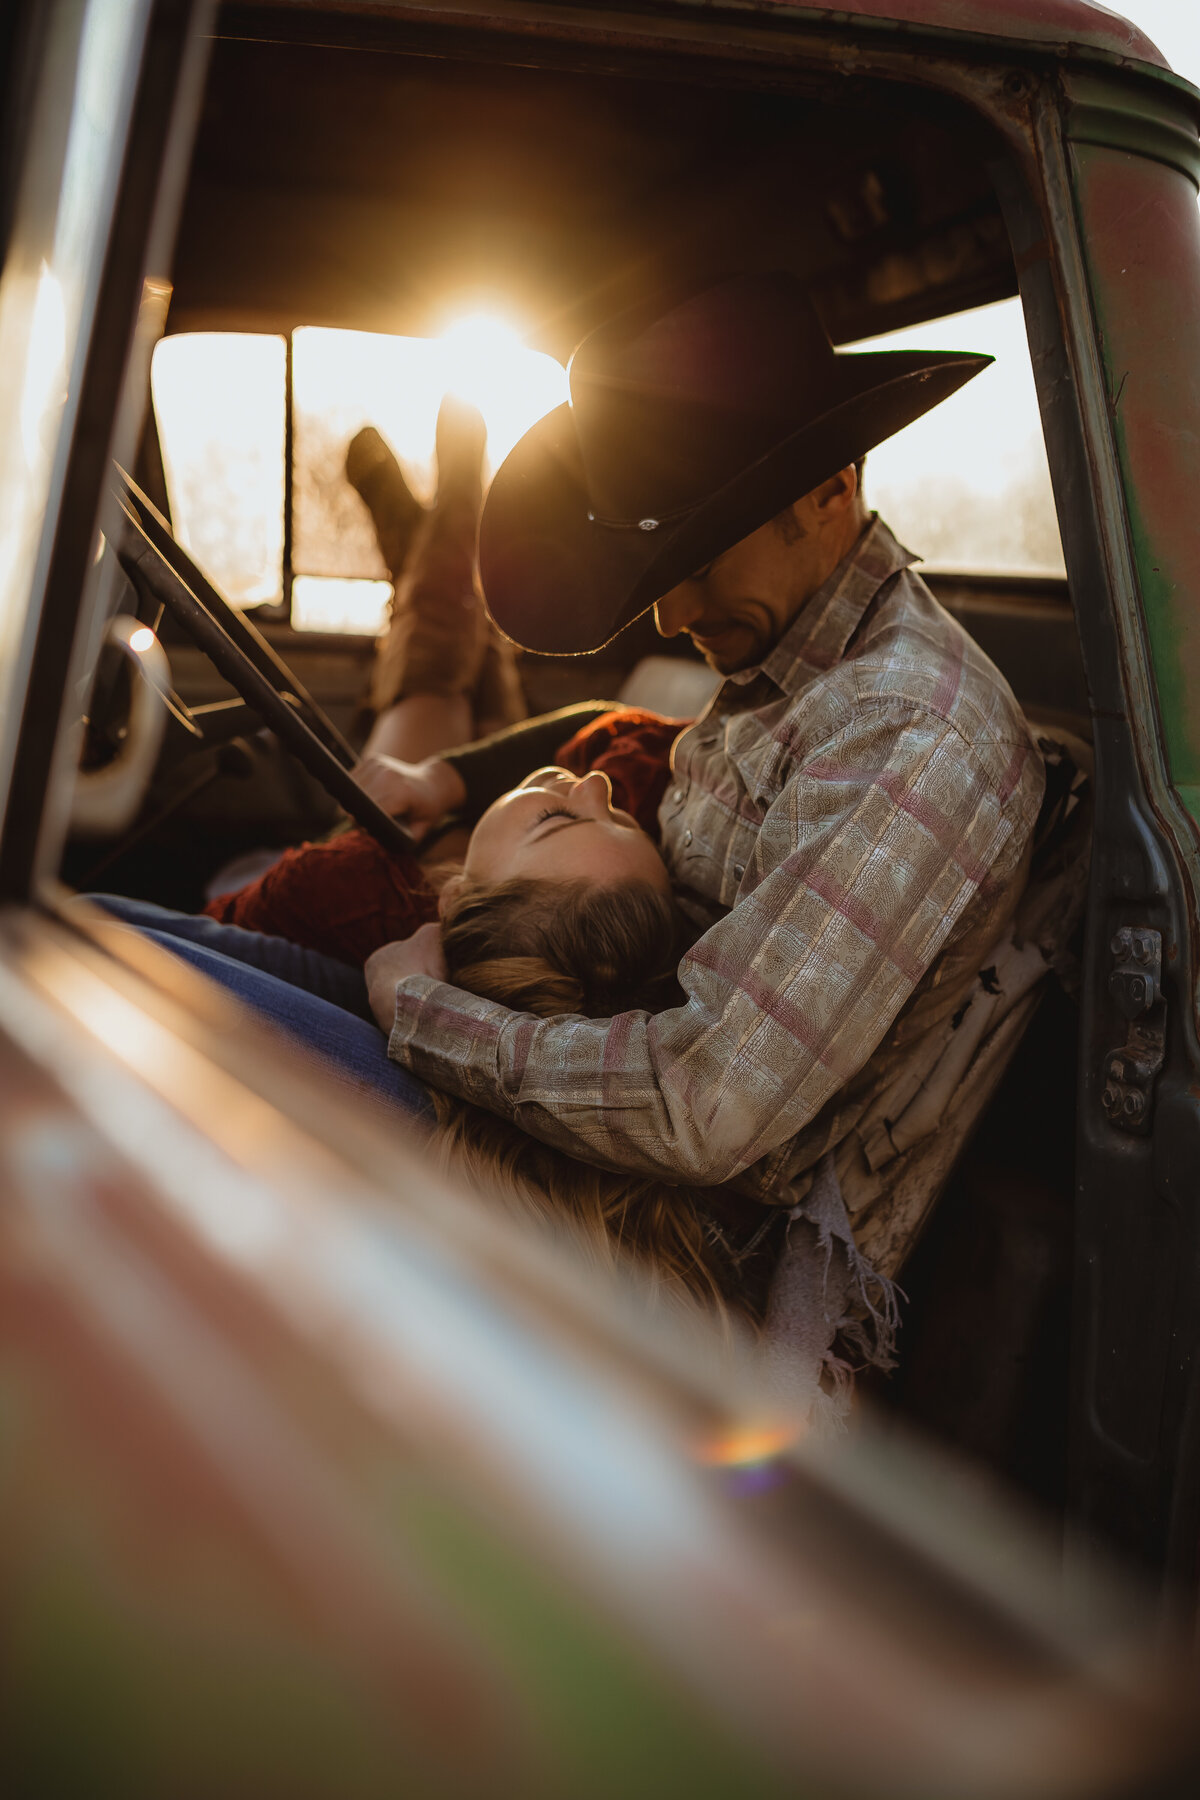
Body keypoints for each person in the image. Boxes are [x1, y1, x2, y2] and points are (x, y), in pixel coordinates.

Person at [357, 271, 1055, 1388]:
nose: (673, 614)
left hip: (670, 1234)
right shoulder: (786, 662)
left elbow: (706, 1105)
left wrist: (420, 1012)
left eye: (702, 561)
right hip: (577, 1135)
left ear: (829, 488)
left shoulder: (907, 733)